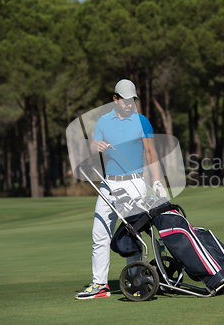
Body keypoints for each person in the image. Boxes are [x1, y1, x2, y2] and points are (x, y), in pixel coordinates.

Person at [75, 79, 167, 300]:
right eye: (125, 100)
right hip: (109, 183)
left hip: (134, 182)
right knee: (99, 233)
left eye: (132, 100)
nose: (129, 104)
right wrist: (94, 145)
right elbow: (92, 146)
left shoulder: (142, 121)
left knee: (132, 234)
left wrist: (157, 182)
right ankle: (100, 285)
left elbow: (151, 154)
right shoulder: (103, 122)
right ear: (115, 99)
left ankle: (136, 281)